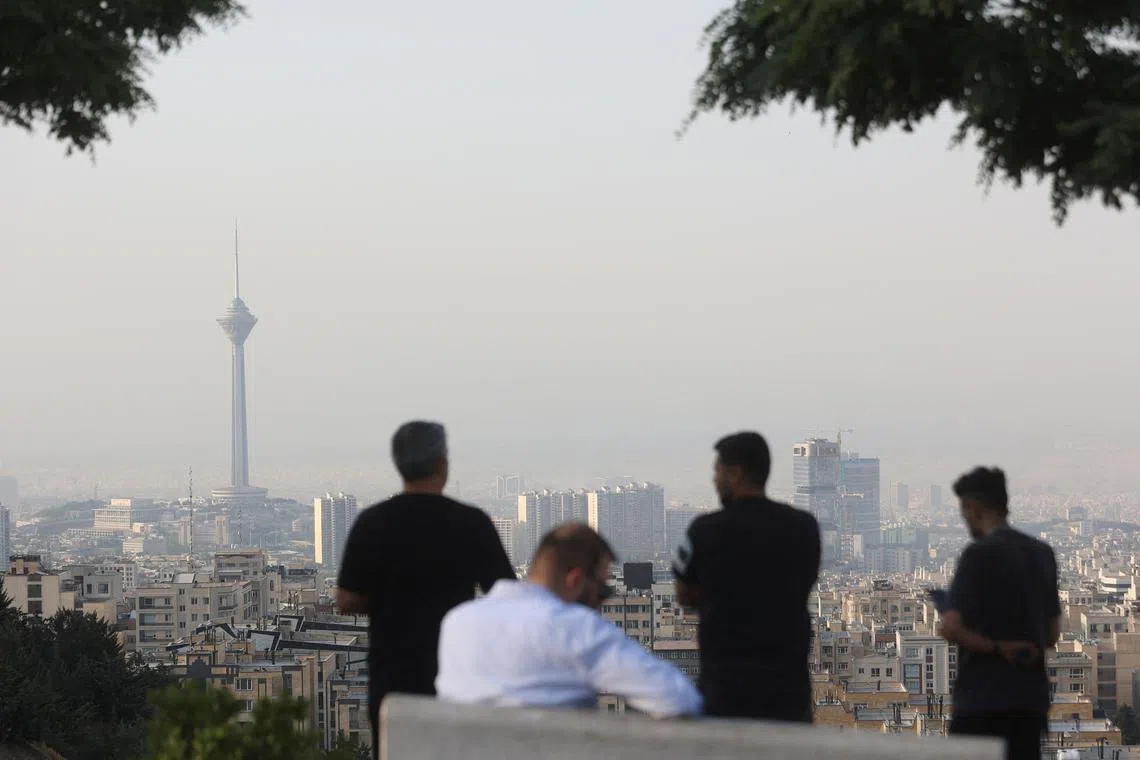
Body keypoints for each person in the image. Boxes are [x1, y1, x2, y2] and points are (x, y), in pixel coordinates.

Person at [335, 421, 516, 758]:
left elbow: (345, 599)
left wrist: (388, 599)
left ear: (399, 466)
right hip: (456, 679)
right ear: (441, 465)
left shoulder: (372, 523)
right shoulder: (470, 523)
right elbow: (506, 596)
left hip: (392, 684)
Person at [435, 523, 703, 718]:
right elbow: (678, 699)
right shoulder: (575, 628)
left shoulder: (458, 622)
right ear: (575, 580)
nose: (603, 602)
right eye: (603, 590)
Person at [672, 431, 820, 721]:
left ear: (736, 474)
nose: (714, 481)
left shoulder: (706, 530)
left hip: (727, 687)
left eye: (718, 472)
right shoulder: (803, 527)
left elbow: (683, 593)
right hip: (788, 691)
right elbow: (806, 581)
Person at [939, 467, 1060, 760]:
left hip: (980, 702)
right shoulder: (1041, 553)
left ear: (974, 508)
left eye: (964, 510)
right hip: (1028, 703)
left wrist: (996, 647)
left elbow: (950, 628)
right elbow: (1053, 634)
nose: (964, 518)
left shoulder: (977, 555)